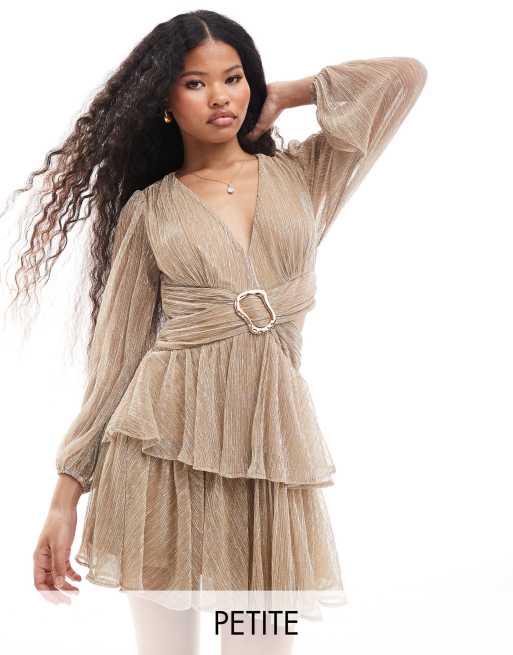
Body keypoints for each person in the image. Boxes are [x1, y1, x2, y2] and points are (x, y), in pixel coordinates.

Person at [1, 9, 426, 655]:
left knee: (260, 644)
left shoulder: (305, 176)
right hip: (159, 460)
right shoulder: (149, 210)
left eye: (233, 78)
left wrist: (286, 93)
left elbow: (404, 77)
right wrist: (65, 496)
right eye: (195, 83)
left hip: (269, 463)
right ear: (165, 100)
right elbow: (116, 359)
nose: (220, 96)